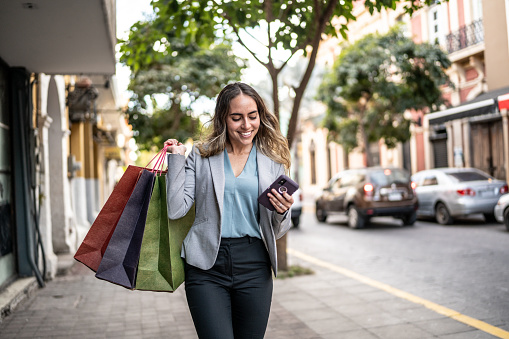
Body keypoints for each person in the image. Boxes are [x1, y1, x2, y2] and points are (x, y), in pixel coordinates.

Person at [164, 82, 294, 339]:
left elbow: (278, 229)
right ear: (223, 119)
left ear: (260, 117)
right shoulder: (201, 156)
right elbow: (176, 209)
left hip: (255, 264)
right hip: (206, 267)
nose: (246, 125)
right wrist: (176, 158)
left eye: (252, 116)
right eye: (237, 118)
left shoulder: (272, 163)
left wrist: (282, 211)